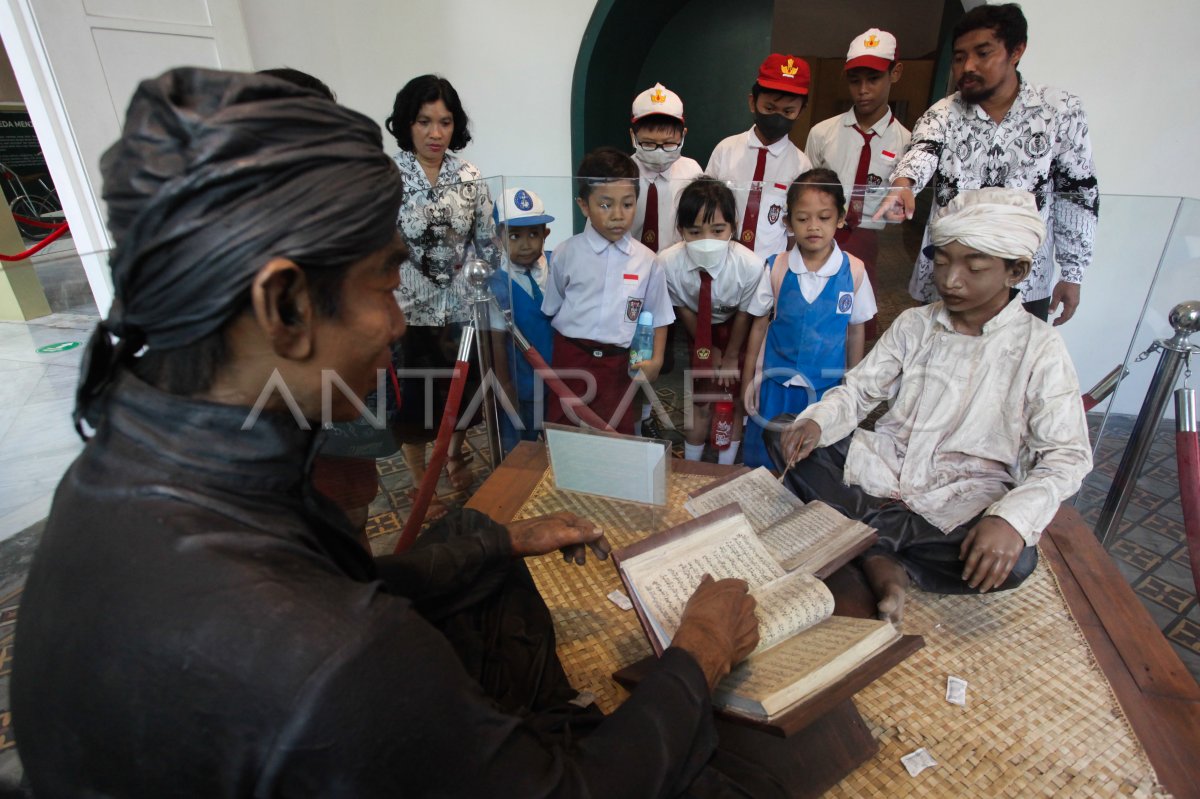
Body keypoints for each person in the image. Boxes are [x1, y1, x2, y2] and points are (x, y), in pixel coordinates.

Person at [11, 67, 780, 798]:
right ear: (284, 306)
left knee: (484, 557)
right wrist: (697, 654)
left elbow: (333, 580)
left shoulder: (119, 473)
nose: (400, 320)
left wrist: (493, 542)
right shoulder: (332, 658)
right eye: (384, 283)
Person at [771, 188, 1093, 624]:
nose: (950, 280)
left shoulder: (1041, 348)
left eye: (973, 267)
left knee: (1016, 561)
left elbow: (1066, 457)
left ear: (1015, 271)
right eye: (942, 262)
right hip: (884, 471)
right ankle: (884, 554)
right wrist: (818, 424)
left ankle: (866, 549)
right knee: (787, 430)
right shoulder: (914, 324)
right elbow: (859, 391)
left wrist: (1011, 521)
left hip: (961, 495)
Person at [874, 3, 1099, 325]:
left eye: (983, 53)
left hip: (1022, 280)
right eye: (960, 57)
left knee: (1010, 368)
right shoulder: (943, 112)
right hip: (950, 277)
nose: (968, 66)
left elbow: (1077, 193)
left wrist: (1073, 272)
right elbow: (922, 149)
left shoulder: (1059, 112)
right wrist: (903, 184)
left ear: (1016, 50)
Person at [385, 74, 492, 519]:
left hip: (461, 313)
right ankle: (418, 482)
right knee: (413, 405)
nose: (435, 133)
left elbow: (486, 243)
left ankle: (454, 454)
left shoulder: (470, 178)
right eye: (425, 121)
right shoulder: (387, 178)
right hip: (408, 314)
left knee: (462, 396)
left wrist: (482, 282)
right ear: (407, 123)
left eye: (445, 122)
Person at [741, 169, 876, 468]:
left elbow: (856, 332)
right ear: (788, 222)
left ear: (840, 218)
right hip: (775, 385)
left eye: (824, 217)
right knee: (765, 458)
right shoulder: (776, 267)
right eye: (802, 219)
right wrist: (748, 380)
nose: (813, 226)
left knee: (815, 464)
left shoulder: (853, 272)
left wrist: (850, 388)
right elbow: (760, 325)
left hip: (824, 391)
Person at [542, 147, 675, 434]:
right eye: (605, 205)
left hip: (618, 363)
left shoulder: (647, 261)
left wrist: (657, 359)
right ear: (584, 205)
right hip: (571, 358)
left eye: (627, 204)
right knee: (565, 430)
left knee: (614, 433)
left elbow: (659, 316)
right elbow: (553, 307)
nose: (617, 215)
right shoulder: (567, 253)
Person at [805, 28, 911, 340]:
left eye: (874, 79)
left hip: (876, 246)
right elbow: (808, 196)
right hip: (825, 237)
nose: (863, 90)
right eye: (855, 81)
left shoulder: (908, 142)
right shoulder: (823, 134)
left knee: (861, 321)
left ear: (896, 73)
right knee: (817, 316)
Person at [659, 177, 770, 465]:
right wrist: (709, 349)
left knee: (732, 400)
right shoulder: (668, 263)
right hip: (698, 326)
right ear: (680, 230)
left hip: (737, 328)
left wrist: (731, 355)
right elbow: (682, 307)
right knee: (701, 398)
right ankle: (691, 465)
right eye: (695, 232)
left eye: (718, 230)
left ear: (733, 227)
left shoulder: (750, 266)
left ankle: (726, 467)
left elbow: (746, 313)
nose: (706, 240)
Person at [706, 53, 813, 259]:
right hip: (722, 262)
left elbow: (795, 229)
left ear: (801, 112)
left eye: (788, 111)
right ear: (753, 102)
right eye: (769, 108)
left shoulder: (801, 165)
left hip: (771, 267)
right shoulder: (726, 149)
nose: (777, 118)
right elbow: (706, 208)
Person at [487, 187, 555, 454]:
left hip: (561, 380)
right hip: (521, 384)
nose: (526, 244)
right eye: (514, 235)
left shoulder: (558, 266)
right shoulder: (495, 284)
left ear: (545, 235)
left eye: (534, 234)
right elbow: (496, 342)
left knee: (559, 446)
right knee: (519, 451)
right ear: (498, 238)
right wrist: (505, 388)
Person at [630, 82, 703, 254]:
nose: (659, 152)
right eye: (648, 144)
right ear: (633, 136)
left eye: (669, 144)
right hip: (629, 267)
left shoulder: (692, 172)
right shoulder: (620, 174)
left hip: (676, 267)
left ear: (683, 135)